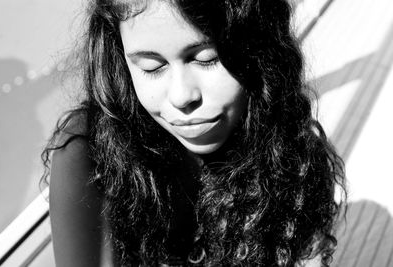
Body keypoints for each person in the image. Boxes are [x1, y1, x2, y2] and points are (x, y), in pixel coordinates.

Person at [41, 0, 346, 266]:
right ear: (121, 59)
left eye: (207, 59)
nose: (181, 96)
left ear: (259, 49)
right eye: (151, 67)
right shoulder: (87, 152)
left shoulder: (287, 153)